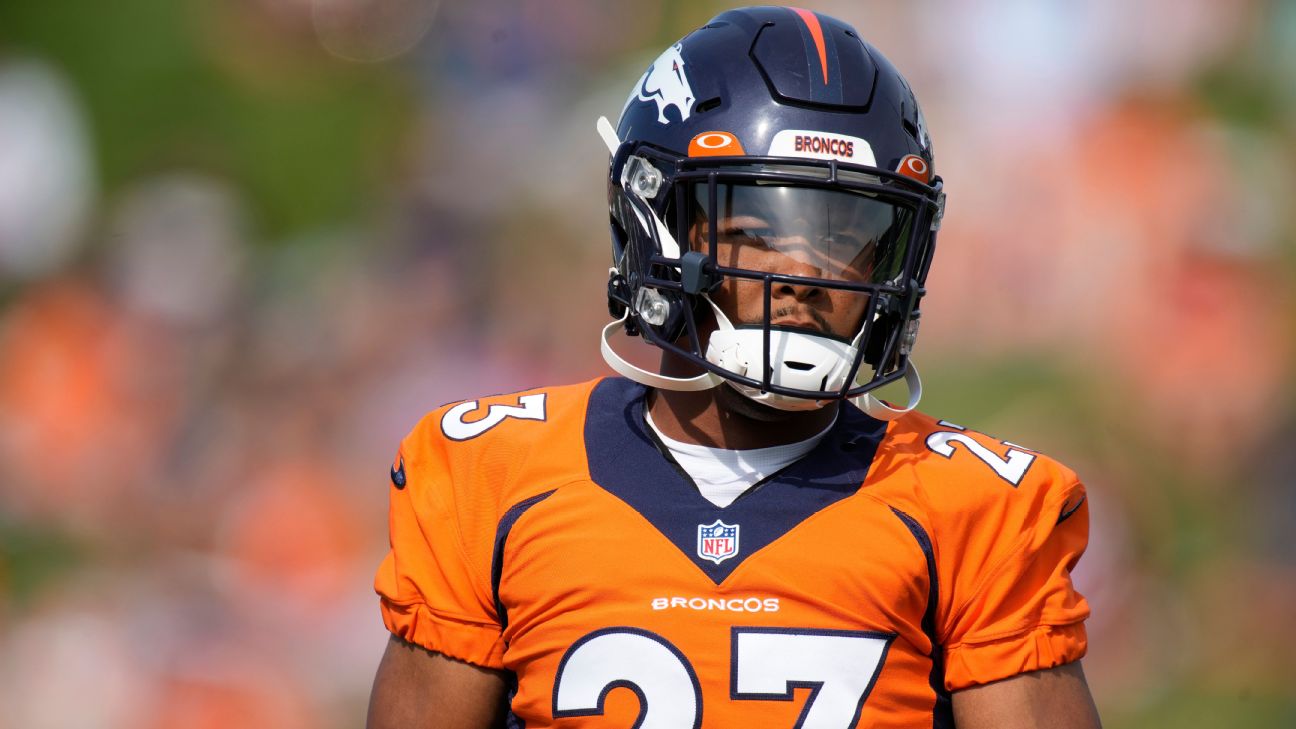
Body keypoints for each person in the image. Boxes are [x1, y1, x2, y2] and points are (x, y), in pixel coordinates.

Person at [367, 7, 1101, 728]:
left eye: (849, 236)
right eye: (757, 229)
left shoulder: (975, 508)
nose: (809, 275)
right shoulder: (491, 477)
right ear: (656, 231)